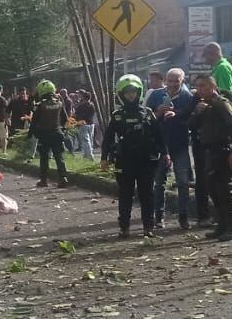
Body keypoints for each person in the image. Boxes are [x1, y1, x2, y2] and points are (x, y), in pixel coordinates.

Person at [101, 74, 163, 238]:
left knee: (146, 194)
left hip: (145, 161)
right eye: (127, 92)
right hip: (124, 161)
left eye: (134, 91)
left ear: (139, 92)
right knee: (125, 194)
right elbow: (108, 138)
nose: (131, 95)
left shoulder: (147, 113)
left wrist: (165, 154)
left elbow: (158, 136)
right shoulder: (117, 115)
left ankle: (148, 226)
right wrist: (104, 157)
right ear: (121, 94)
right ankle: (124, 227)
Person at [191, 73, 232, 241]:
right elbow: (190, 125)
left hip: (223, 150)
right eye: (198, 86)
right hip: (210, 151)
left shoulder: (222, 104)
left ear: (212, 87)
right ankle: (222, 225)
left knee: (225, 189)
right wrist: (197, 113)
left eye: (203, 86)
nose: (200, 90)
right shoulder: (205, 105)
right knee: (213, 189)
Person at [148, 66, 196, 231]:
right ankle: (159, 217)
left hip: (180, 144)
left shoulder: (188, 97)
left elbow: (192, 119)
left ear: (182, 80)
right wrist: (158, 113)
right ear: (165, 80)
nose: (173, 84)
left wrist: (177, 115)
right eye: (170, 80)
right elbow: (147, 120)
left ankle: (183, 217)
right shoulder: (156, 95)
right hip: (160, 146)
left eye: (177, 81)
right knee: (159, 182)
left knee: (183, 182)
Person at [28, 79, 69, 188]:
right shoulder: (59, 103)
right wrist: (62, 129)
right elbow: (65, 119)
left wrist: (30, 134)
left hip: (44, 135)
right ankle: (63, 178)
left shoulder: (40, 105)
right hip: (57, 133)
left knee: (44, 158)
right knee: (59, 157)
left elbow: (34, 121)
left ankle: (43, 180)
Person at [74, 90, 97, 160]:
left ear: (84, 97)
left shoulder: (81, 105)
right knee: (90, 140)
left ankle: (90, 156)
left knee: (85, 141)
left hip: (83, 124)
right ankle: (86, 155)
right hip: (91, 123)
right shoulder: (92, 104)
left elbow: (76, 114)